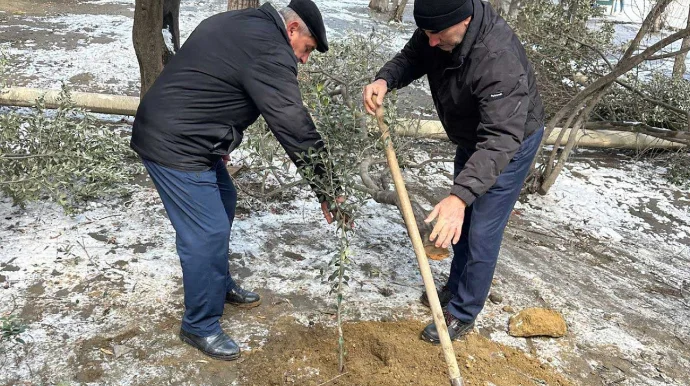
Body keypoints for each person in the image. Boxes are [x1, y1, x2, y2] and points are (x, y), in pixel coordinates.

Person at [131, 0, 341, 360]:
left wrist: (220, 135)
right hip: (175, 143)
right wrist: (327, 186)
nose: (304, 60)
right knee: (207, 232)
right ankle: (199, 325)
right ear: (291, 30)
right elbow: (292, 123)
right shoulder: (269, 49)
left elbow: (213, 77)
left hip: (191, 135)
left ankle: (217, 282)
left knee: (224, 200)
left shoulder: (243, 23)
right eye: (306, 50)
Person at [363, 0, 545, 344]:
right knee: (458, 219)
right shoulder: (440, 27)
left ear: (464, 21)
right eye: (427, 33)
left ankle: (464, 311)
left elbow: (500, 138)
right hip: (475, 133)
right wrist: (385, 79)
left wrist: (460, 197)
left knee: (480, 228)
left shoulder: (496, 56)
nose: (430, 41)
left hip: (509, 141)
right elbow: (413, 57)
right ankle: (455, 287)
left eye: (437, 35)